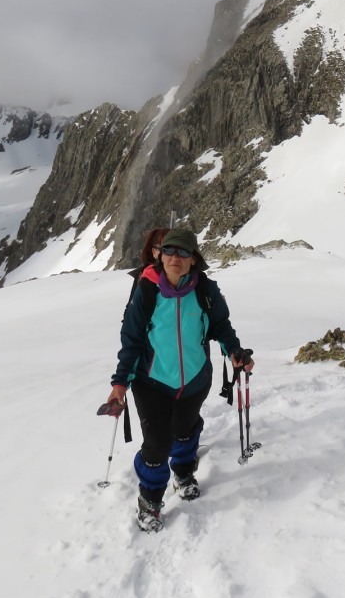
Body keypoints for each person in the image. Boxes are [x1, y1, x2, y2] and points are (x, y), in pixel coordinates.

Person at [104, 228, 254, 532]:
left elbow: (221, 326)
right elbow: (131, 340)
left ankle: (184, 472)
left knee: (185, 432)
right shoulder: (146, 291)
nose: (176, 257)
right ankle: (150, 499)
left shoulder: (205, 290)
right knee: (157, 445)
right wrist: (120, 383)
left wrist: (233, 351)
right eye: (170, 251)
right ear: (161, 257)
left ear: (193, 260)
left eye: (184, 253)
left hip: (195, 379)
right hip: (152, 382)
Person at [127, 227, 169, 302]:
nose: (171, 254)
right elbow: (131, 310)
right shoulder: (143, 277)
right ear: (154, 252)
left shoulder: (187, 275)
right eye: (164, 249)